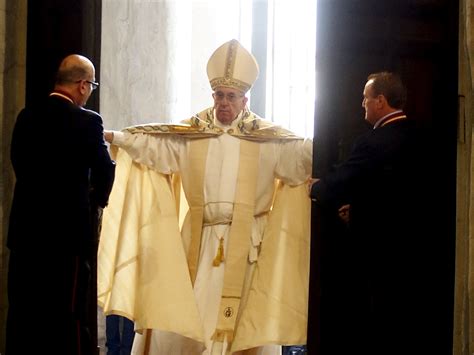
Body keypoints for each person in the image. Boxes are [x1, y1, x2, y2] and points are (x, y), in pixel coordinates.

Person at [98, 39, 313, 354]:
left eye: (231, 97)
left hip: (249, 244)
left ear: (245, 100)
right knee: (188, 319)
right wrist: (118, 138)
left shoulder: (267, 139)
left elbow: (301, 157)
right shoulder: (193, 133)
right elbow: (157, 148)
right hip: (199, 243)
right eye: (219, 96)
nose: (223, 103)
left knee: (243, 323)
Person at [309, 72, 441, 354]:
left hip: (381, 249)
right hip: (419, 247)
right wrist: (358, 208)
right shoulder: (423, 137)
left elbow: (347, 178)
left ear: (380, 101)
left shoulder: (374, 141)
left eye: (366, 98)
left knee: (379, 319)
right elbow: (394, 193)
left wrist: (316, 187)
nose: (362, 104)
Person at [6, 54, 116, 355]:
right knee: (66, 316)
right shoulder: (88, 122)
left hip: (25, 235)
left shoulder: (26, 116)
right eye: (91, 85)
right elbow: (105, 171)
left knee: (23, 313)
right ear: (82, 85)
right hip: (66, 242)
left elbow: (18, 163)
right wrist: (93, 202)